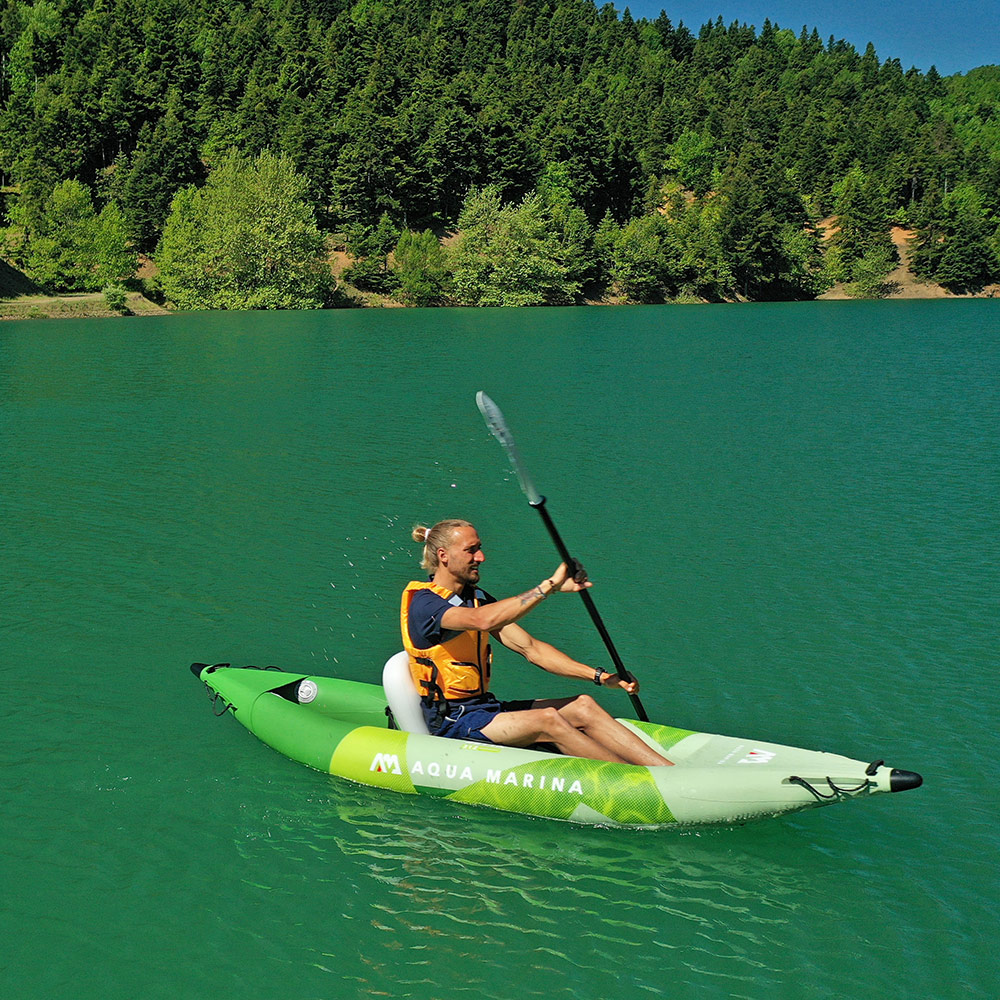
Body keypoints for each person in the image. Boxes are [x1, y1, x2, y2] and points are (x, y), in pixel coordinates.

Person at [400, 519, 673, 765]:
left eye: (479, 548)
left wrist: (602, 677)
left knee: (583, 705)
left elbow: (531, 649)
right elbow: (481, 620)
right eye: (471, 550)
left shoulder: (477, 597)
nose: (481, 557)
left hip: (485, 708)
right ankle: (637, 786)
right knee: (548, 719)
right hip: (453, 720)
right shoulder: (426, 604)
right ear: (443, 556)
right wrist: (548, 587)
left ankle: (667, 772)